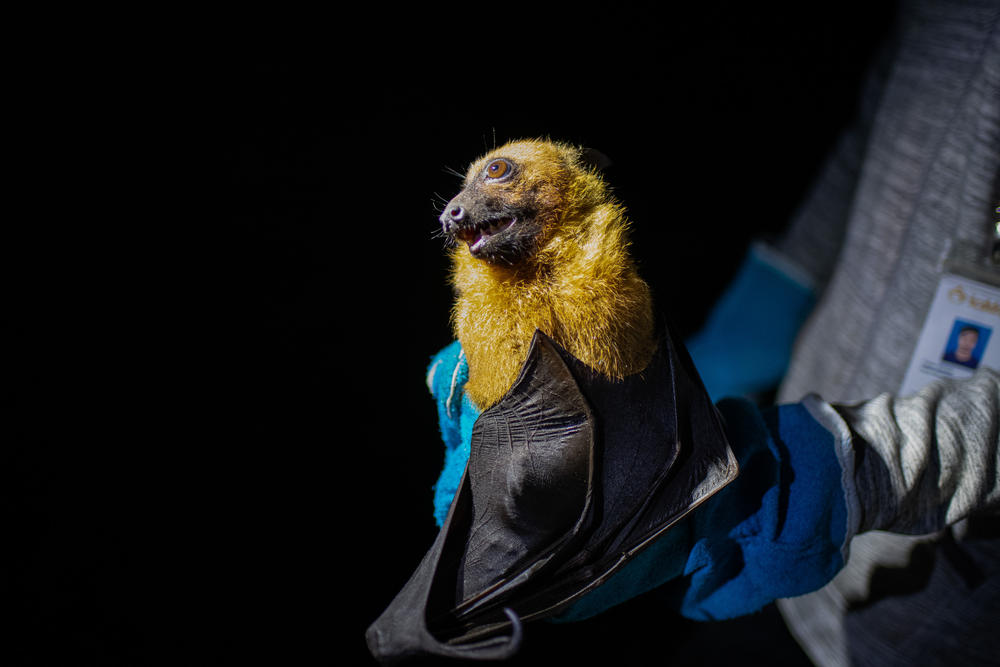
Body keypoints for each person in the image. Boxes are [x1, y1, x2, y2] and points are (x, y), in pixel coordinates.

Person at [425, 0, 999, 664]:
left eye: (494, 175)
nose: (459, 209)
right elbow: (882, 146)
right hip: (778, 506)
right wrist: (706, 370)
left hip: (939, 610)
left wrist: (868, 465)